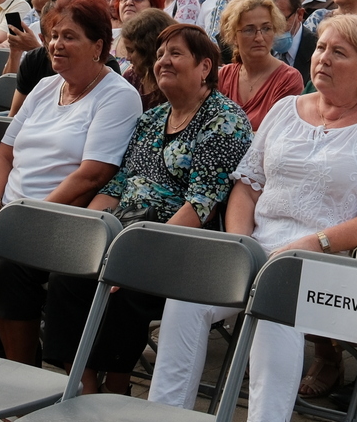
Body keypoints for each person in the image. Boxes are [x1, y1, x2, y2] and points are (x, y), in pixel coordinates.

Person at [148, 13, 357, 422]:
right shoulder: (285, 110)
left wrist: (315, 242)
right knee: (187, 297)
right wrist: (239, 242)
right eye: (322, 47)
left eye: (339, 53)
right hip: (259, 249)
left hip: (332, 259)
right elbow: (247, 186)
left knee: (277, 300)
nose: (323, 58)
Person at [77, 24, 254, 394]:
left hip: (181, 246)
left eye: (175, 53)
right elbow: (117, 185)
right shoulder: (152, 118)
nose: (163, 62)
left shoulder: (224, 119)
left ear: (205, 67)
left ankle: (116, 388)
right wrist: (88, 233)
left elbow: (202, 204)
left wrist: (140, 252)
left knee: (123, 286)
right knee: (72, 270)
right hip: (128, 232)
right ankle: (83, 384)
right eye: (159, 55)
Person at [0, 0, 144, 367]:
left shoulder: (117, 95)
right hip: (9, 213)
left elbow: (94, 174)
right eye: (53, 35)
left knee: (10, 265)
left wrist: (28, 214)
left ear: (98, 46)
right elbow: (3, 155)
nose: (56, 44)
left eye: (69, 36)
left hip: (63, 220)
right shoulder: (44, 88)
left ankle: (25, 372)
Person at [216, 0, 305, 130]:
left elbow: (275, 135)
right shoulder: (224, 76)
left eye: (266, 28)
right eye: (249, 30)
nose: (259, 38)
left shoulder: (288, 80)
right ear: (233, 36)